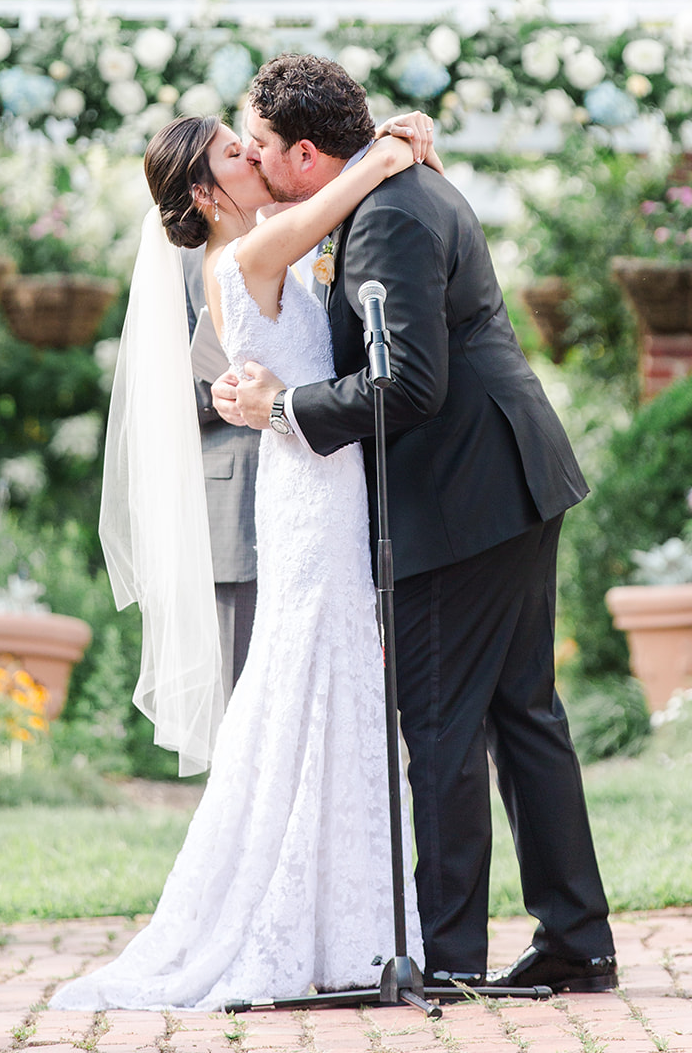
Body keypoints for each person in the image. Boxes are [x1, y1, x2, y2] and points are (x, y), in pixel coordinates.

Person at [213, 53, 617, 996]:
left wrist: (285, 406)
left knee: (440, 723)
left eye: (263, 147)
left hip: (463, 496)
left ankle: (448, 957)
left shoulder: (387, 215)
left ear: (306, 155)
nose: (257, 162)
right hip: (510, 477)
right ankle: (577, 940)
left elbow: (408, 385)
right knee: (523, 715)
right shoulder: (395, 187)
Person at [51, 108, 437, 1013]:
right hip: (306, 498)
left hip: (320, 485)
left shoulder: (264, 247)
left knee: (336, 686)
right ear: (204, 192)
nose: (255, 155)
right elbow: (342, 191)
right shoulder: (240, 260)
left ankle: (347, 926)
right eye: (236, 151)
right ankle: (284, 914)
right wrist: (384, 145)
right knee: (304, 685)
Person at [180, 246, 258, 698]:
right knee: (240, 694)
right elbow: (159, 383)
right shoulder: (187, 256)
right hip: (237, 499)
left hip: (326, 488)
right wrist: (225, 389)